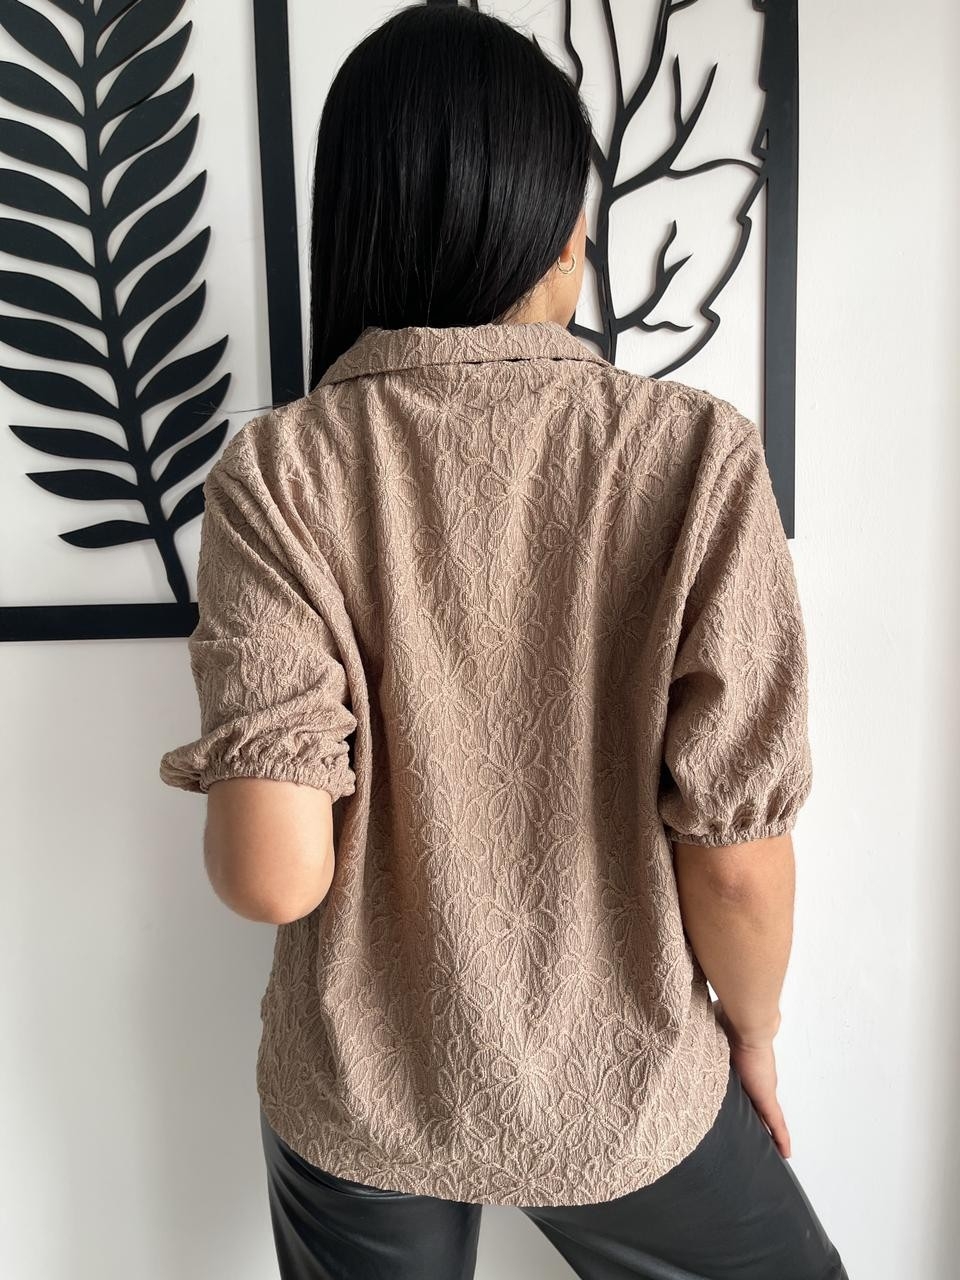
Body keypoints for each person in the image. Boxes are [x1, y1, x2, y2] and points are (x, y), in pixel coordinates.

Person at [158, 4, 849, 1277]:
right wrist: (750, 1036)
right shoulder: (693, 453)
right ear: (560, 226)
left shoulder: (278, 471)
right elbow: (739, 866)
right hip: (628, 1087)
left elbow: (274, 876)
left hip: (361, 1091)